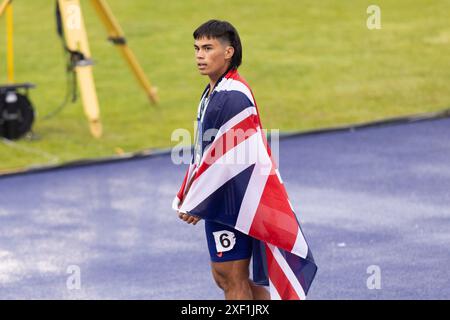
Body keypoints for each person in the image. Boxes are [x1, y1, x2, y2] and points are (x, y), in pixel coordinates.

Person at [176, 19, 270, 300]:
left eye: (208, 48)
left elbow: (229, 157)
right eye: (196, 48)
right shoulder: (214, 92)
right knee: (226, 277)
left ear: (228, 52)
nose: (199, 55)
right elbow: (204, 151)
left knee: (232, 278)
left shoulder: (230, 97)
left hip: (231, 200)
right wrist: (192, 191)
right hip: (226, 197)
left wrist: (200, 198)